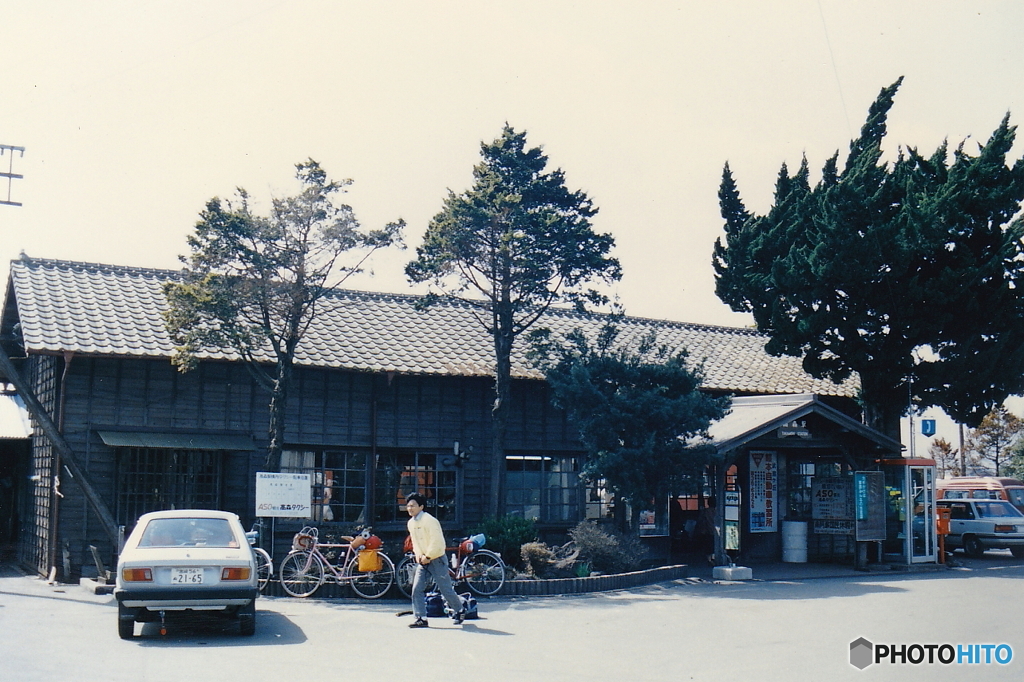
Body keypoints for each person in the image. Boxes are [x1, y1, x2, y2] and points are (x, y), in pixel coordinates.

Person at [405, 491, 465, 628]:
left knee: (445, 589)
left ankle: (460, 610)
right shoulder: (411, 523)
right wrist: (419, 555)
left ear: (421, 507)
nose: (410, 508)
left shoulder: (430, 520)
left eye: (413, 505)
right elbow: (415, 542)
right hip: (423, 561)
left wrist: (428, 556)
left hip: (436, 559)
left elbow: (437, 542)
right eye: (408, 506)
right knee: (417, 589)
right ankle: (421, 618)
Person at [696, 497, 718, 566]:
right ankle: (714, 558)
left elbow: (700, 521)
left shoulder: (705, 511)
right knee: (715, 545)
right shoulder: (718, 511)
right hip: (717, 531)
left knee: (708, 546)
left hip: (707, 531)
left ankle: (709, 559)